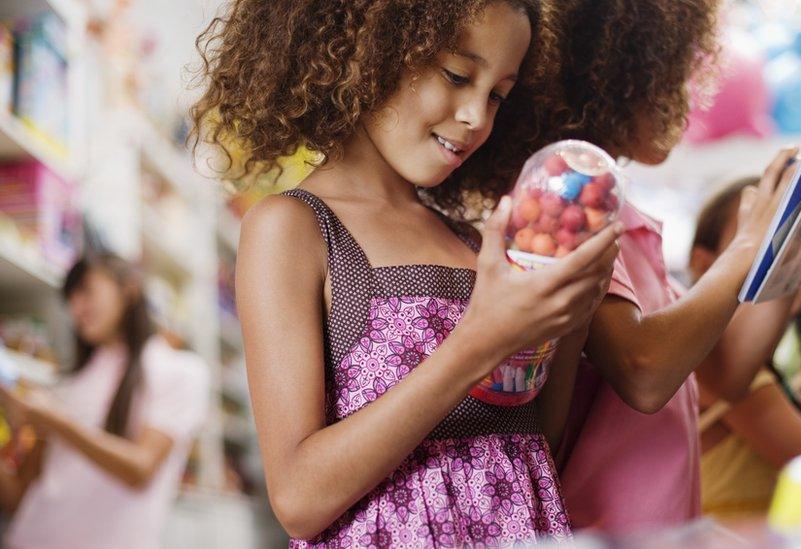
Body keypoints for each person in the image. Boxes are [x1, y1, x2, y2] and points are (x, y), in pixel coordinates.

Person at [191, 1, 618, 546]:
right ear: (372, 48)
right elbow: (298, 499)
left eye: (497, 96)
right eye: (458, 76)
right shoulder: (293, 228)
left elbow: (532, 443)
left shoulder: (471, 242)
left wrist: (572, 316)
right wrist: (479, 342)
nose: (476, 117)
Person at [522, 0, 801, 534]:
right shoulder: (572, 204)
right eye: (674, 79)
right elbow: (643, 371)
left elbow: (726, 372)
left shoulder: (630, 221)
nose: (687, 104)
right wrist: (752, 238)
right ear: (621, 76)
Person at [0, 253, 210, 549]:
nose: (76, 308)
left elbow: (141, 470)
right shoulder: (67, 387)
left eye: (86, 290)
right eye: (70, 299)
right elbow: (19, 499)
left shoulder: (180, 371)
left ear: (129, 288)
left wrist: (58, 422)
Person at [689, 178, 801, 519]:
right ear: (704, 266)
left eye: (798, 239)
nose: (786, 254)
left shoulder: (756, 373)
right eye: (763, 244)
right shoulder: (717, 368)